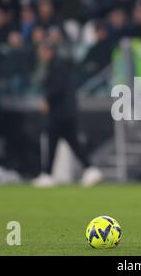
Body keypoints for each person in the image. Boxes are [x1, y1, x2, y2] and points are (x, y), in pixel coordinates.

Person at [32, 41, 102, 187]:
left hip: (60, 113)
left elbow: (57, 88)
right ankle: (90, 169)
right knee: (71, 143)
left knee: (56, 143)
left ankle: (48, 174)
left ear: (49, 51)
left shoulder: (55, 66)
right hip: (66, 113)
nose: (41, 55)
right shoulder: (59, 65)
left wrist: (47, 100)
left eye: (43, 51)